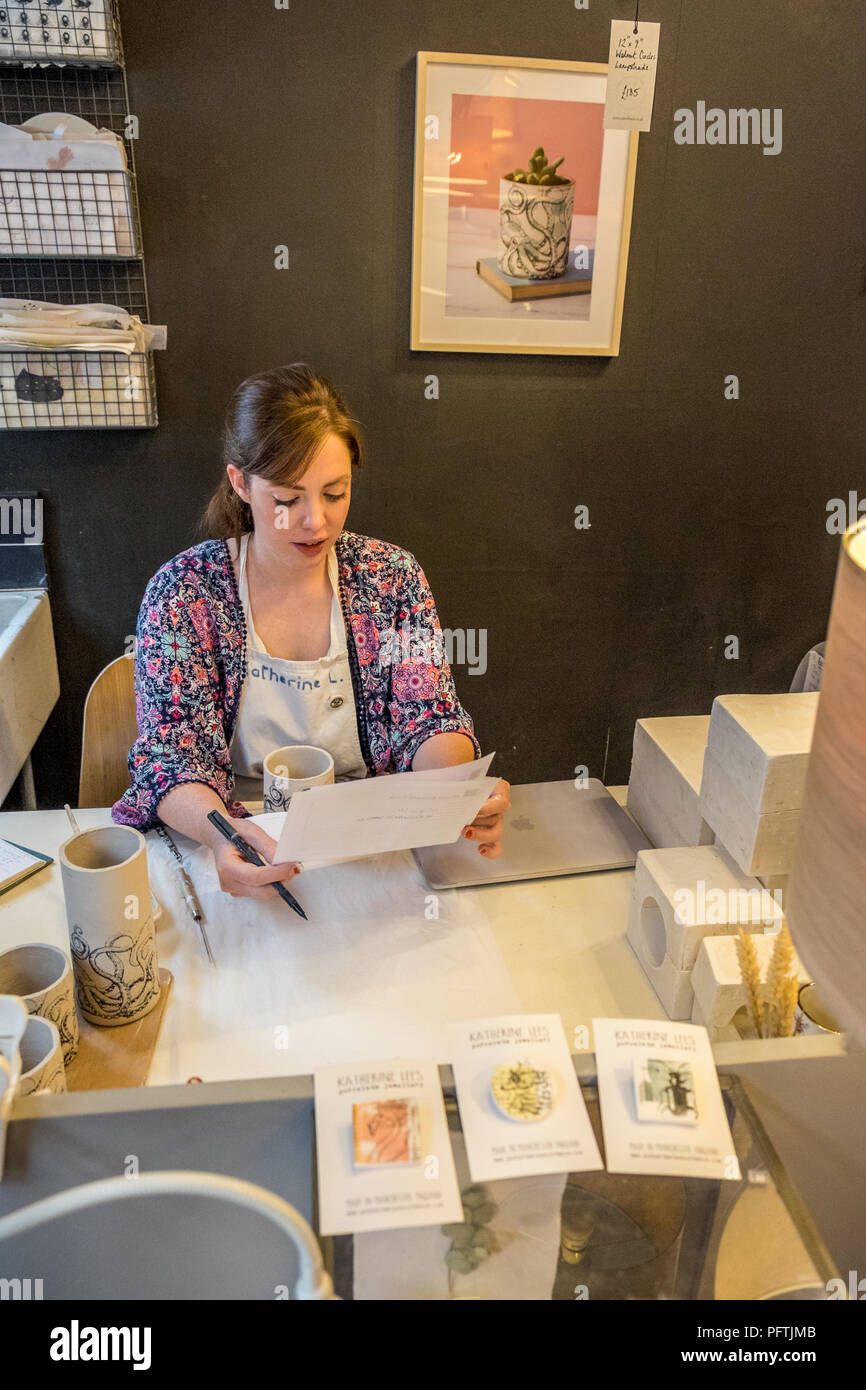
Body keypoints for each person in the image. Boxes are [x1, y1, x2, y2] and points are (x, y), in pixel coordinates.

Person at [112, 363, 510, 899]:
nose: (316, 522)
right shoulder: (186, 592)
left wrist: (457, 794)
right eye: (287, 499)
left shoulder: (389, 577)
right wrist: (224, 835)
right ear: (240, 483)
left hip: (368, 842)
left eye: (334, 493)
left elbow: (429, 717)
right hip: (235, 835)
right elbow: (170, 756)